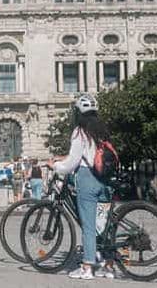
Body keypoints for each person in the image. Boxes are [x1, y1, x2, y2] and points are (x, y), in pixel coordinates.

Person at [49, 94, 115, 280]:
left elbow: (72, 162)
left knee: (88, 225)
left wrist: (56, 166)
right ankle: (108, 266)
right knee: (104, 225)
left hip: (87, 179)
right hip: (104, 180)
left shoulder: (80, 131)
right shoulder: (101, 130)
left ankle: (87, 267)